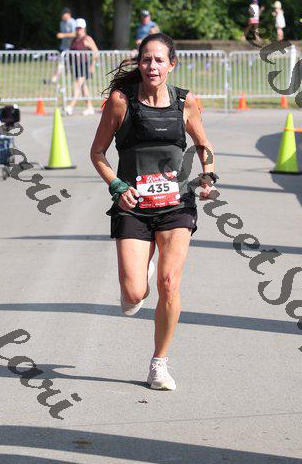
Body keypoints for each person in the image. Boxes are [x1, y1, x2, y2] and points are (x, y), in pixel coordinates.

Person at [90, 32, 217, 391]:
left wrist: (207, 177)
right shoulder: (121, 102)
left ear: (171, 64)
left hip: (177, 204)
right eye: (146, 59)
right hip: (133, 206)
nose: (152, 66)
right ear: (139, 63)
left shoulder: (185, 101)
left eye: (160, 60)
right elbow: (97, 153)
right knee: (133, 294)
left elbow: (203, 145)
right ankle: (139, 277)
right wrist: (117, 186)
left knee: (169, 283)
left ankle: (159, 364)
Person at [65, 18, 99, 116]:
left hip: (84, 65)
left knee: (77, 85)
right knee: (83, 87)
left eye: (80, 28)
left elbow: (96, 52)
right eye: (77, 28)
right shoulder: (74, 39)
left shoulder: (87, 38)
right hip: (76, 66)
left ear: (84, 28)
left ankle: (70, 106)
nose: (78, 30)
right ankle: (90, 107)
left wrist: (92, 65)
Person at [50, 7, 76, 84]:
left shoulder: (72, 22)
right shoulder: (62, 23)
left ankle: (74, 80)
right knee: (60, 63)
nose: (62, 17)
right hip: (64, 47)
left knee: (71, 65)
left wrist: (63, 35)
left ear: (68, 14)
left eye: (64, 15)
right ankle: (54, 79)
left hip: (72, 47)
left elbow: (75, 34)